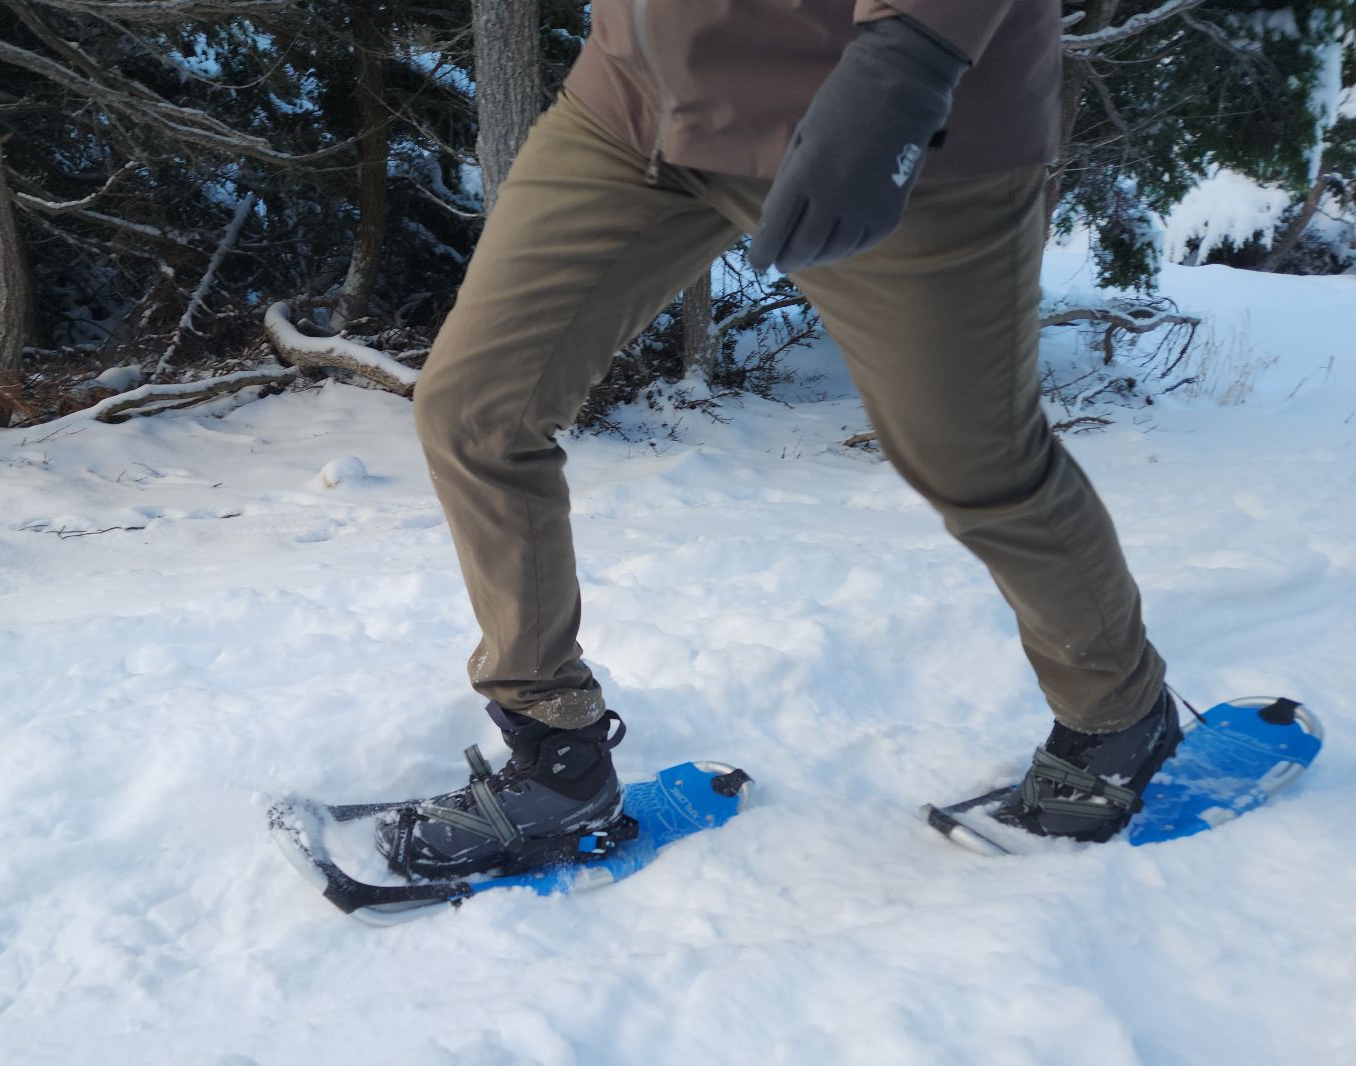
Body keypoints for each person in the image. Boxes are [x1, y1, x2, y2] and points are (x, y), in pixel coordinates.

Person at [373, 0, 1182, 879]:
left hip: (889, 118)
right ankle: (555, 753)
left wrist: (904, 67)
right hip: (639, 100)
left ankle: (1119, 712)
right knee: (475, 411)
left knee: (975, 460)